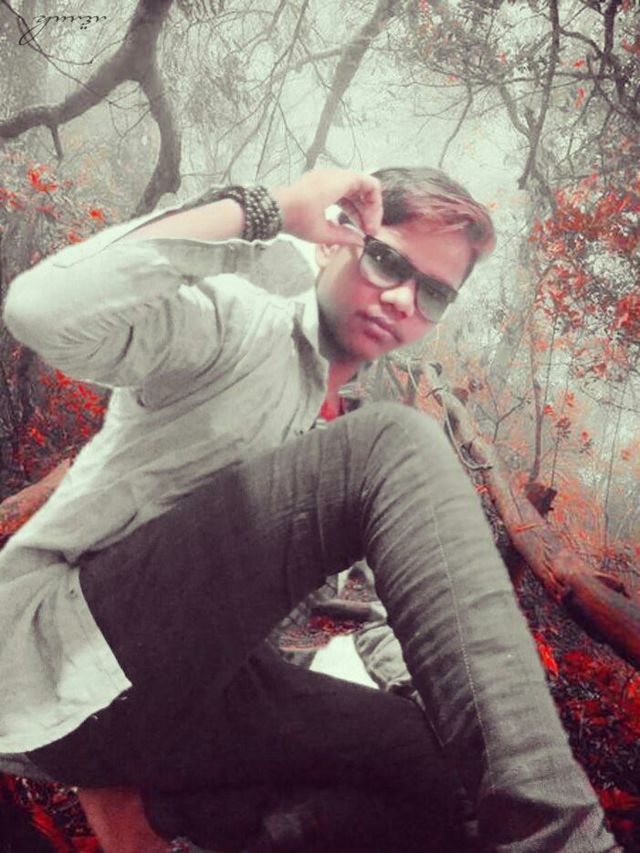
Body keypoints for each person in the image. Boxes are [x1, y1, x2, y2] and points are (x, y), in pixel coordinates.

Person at [0, 168, 619, 852]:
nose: (403, 299)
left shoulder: (343, 421)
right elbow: (39, 307)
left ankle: (188, 821)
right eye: (388, 262)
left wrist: (417, 692)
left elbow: (389, 606)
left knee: (426, 762)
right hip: (67, 661)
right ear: (333, 242)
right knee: (395, 442)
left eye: (434, 292)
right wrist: (263, 210)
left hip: (192, 705)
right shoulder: (236, 323)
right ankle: (562, 839)